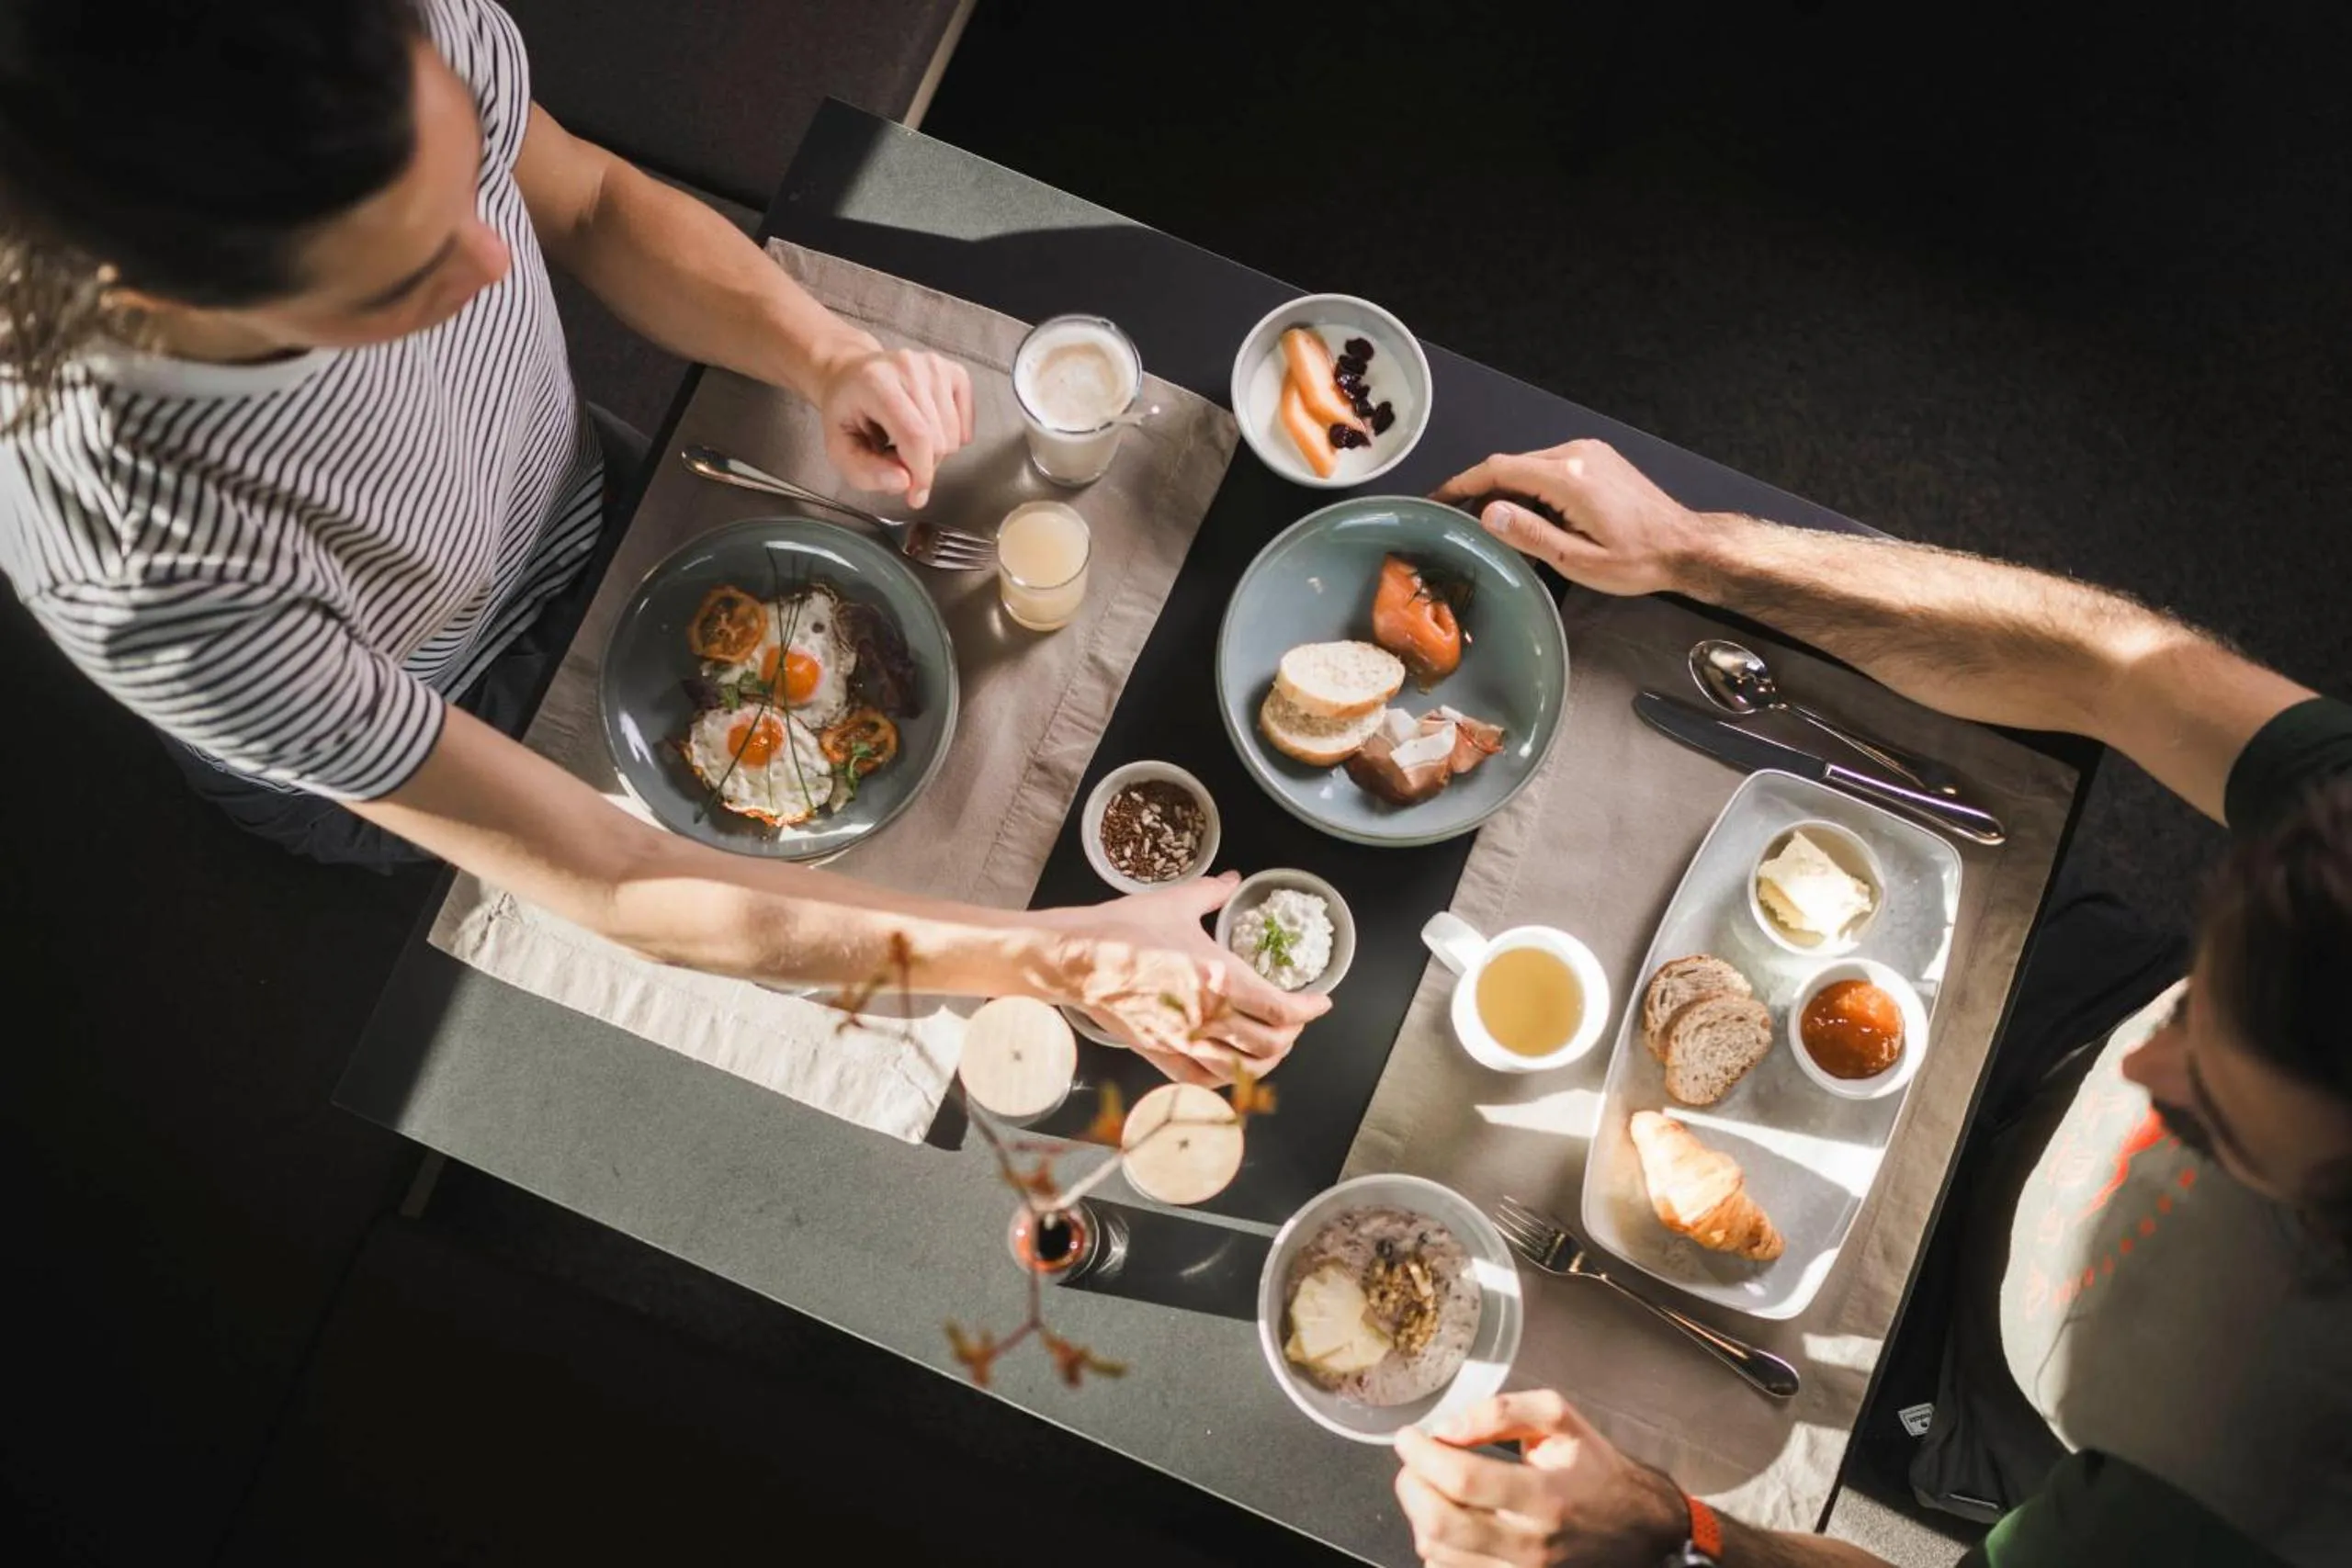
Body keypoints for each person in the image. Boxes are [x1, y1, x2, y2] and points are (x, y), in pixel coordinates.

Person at [0, 0, 1322, 1083]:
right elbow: (625, 878)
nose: (492, 265)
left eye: (467, 181)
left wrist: (827, 352)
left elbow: (583, 208)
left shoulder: (361, 40)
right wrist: (1065, 957)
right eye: (403, 279)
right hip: (435, 709)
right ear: (178, 295)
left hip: (590, 489)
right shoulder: (139, 560)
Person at [1388, 439, 2350, 1567]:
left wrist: (1680, 1531)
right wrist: (1693, 550)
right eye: (2190, 1013)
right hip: (2061, 1003)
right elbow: (2113, 665)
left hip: (1966, 1368)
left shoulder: (2237, 1511)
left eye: (2210, 1129)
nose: (2140, 1075)